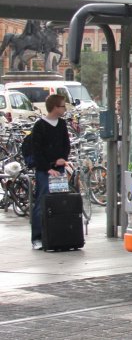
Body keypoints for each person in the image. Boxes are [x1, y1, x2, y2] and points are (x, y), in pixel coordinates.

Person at [25, 94, 71, 250]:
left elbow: (66, 144)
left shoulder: (62, 124)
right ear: (55, 108)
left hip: (59, 168)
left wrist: (62, 159)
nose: (65, 109)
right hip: (45, 171)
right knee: (41, 202)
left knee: (60, 202)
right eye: (63, 106)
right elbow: (37, 151)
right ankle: (37, 237)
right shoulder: (40, 126)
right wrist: (48, 167)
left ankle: (58, 235)